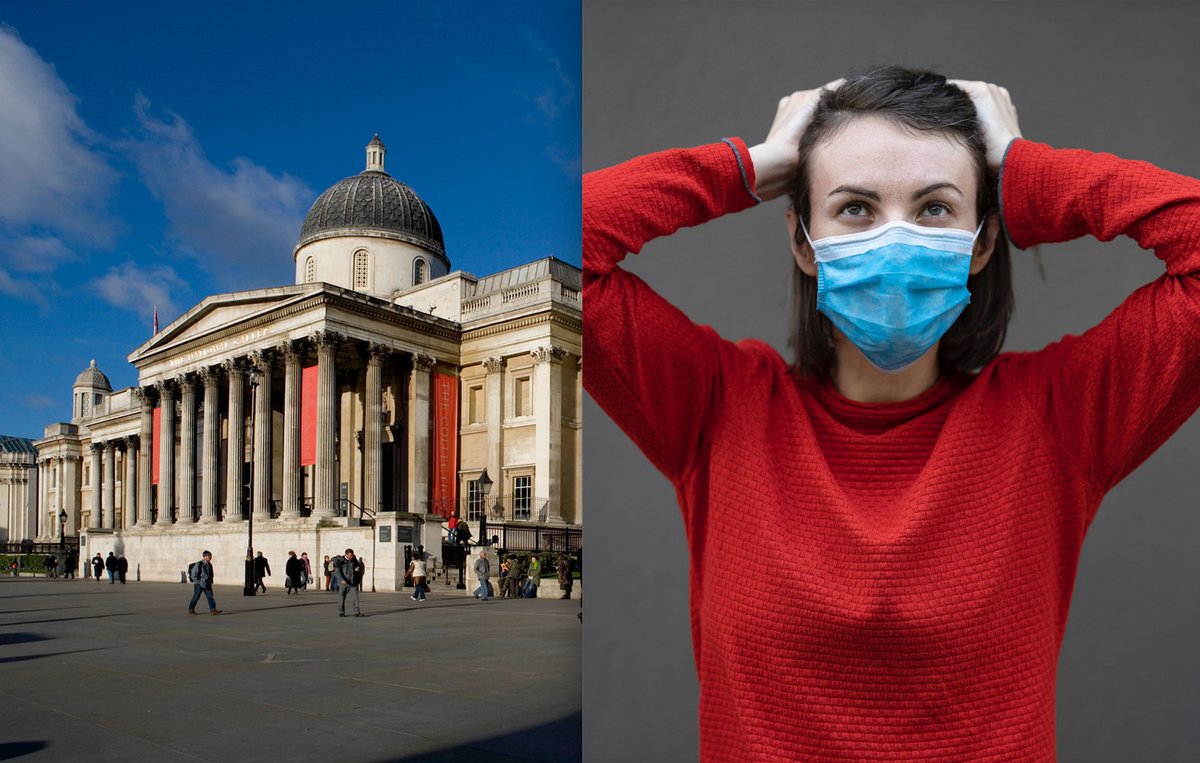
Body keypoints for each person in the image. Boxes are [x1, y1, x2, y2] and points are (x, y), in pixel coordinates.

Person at [584, 65, 1200, 759]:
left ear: (982, 242)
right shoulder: (716, 406)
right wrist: (747, 166)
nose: (895, 240)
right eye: (856, 208)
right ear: (803, 242)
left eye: (935, 208)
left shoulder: (1058, 417)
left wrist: (1024, 169)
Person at [187, 550, 222, 615]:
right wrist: (199, 582)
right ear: (205, 556)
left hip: (207, 584)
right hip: (199, 585)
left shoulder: (209, 564)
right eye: (209, 556)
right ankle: (191, 609)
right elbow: (194, 575)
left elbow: (210, 574)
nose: (211, 557)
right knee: (196, 597)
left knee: (210, 597)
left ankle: (213, 610)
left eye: (211, 556)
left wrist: (210, 581)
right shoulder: (199, 564)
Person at [334, 548, 364, 617]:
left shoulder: (354, 560)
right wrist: (341, 579)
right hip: (343, 583)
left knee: (355, 597)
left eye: (352, 555)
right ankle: (341, 612)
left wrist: (357, 569)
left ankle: (356, 612)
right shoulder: (340, 561)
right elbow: (336, 571)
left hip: (353, 582)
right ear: (346, 554)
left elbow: (358, 568)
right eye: (350, 555)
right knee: (341, 597)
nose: (351, 557)